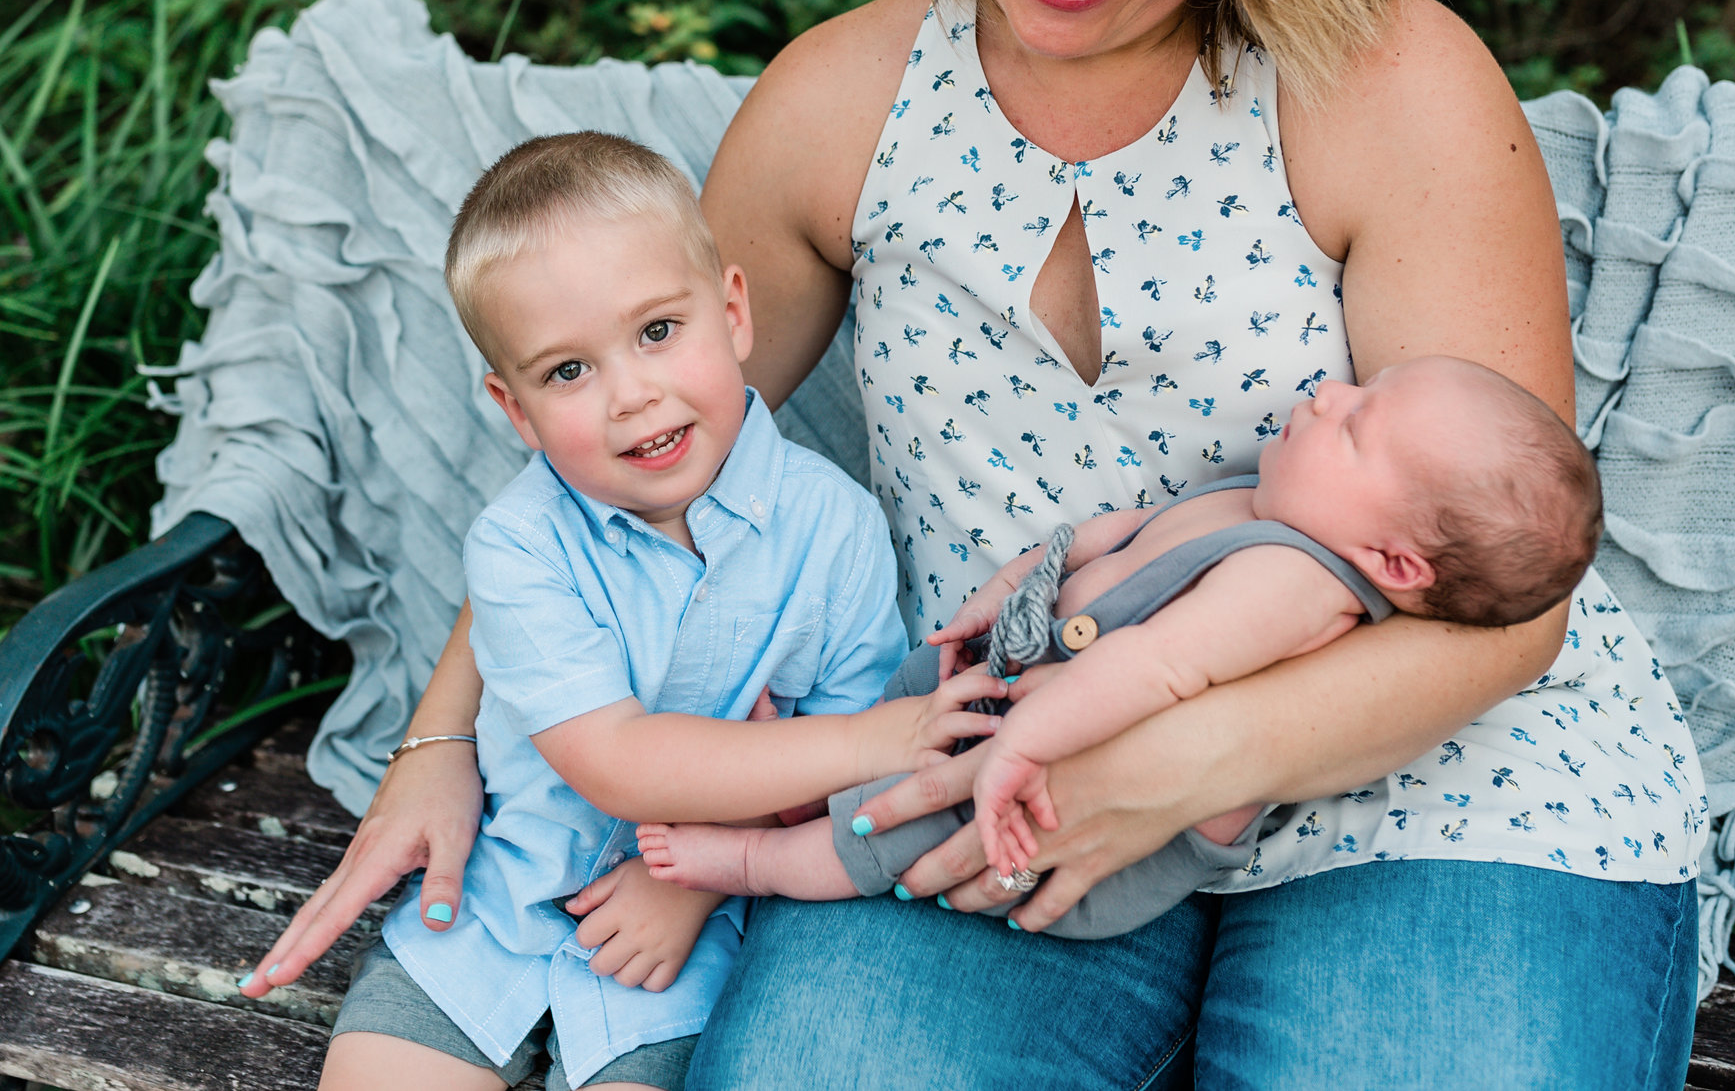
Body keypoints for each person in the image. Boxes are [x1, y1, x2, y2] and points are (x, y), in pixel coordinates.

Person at [256, 0, 1710, 1088]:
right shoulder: (841, 106)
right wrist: (446, 733)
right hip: (985, 774)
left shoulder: (1390, 82)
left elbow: (1506, 615)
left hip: (1438, 791)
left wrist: (1163, 764)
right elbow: (619, 418)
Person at [313, 132, 1004, 1091]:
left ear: (731, 311)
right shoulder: (519, 546)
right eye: (567, 372)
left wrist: (713, 869)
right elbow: (617, 757)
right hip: (490, 913)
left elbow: (834, 795)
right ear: (515, 410)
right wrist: (883, 738)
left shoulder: (834, 527)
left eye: (656, 332)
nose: (632, 395)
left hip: (689, 939)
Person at [634, 356, 1604, 934]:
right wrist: (1019, 580)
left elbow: (1155, 665)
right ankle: (784, 786)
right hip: (1030, 684)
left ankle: (760, 865)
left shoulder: (1297, 583)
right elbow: (1119, 536)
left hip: (1071, 788)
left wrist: (1021, 746)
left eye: (1354, 427)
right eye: (1354, 389)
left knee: (893, 831)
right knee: (897, 727)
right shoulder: (1269, 501)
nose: (1324, 393)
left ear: (1391, 562)